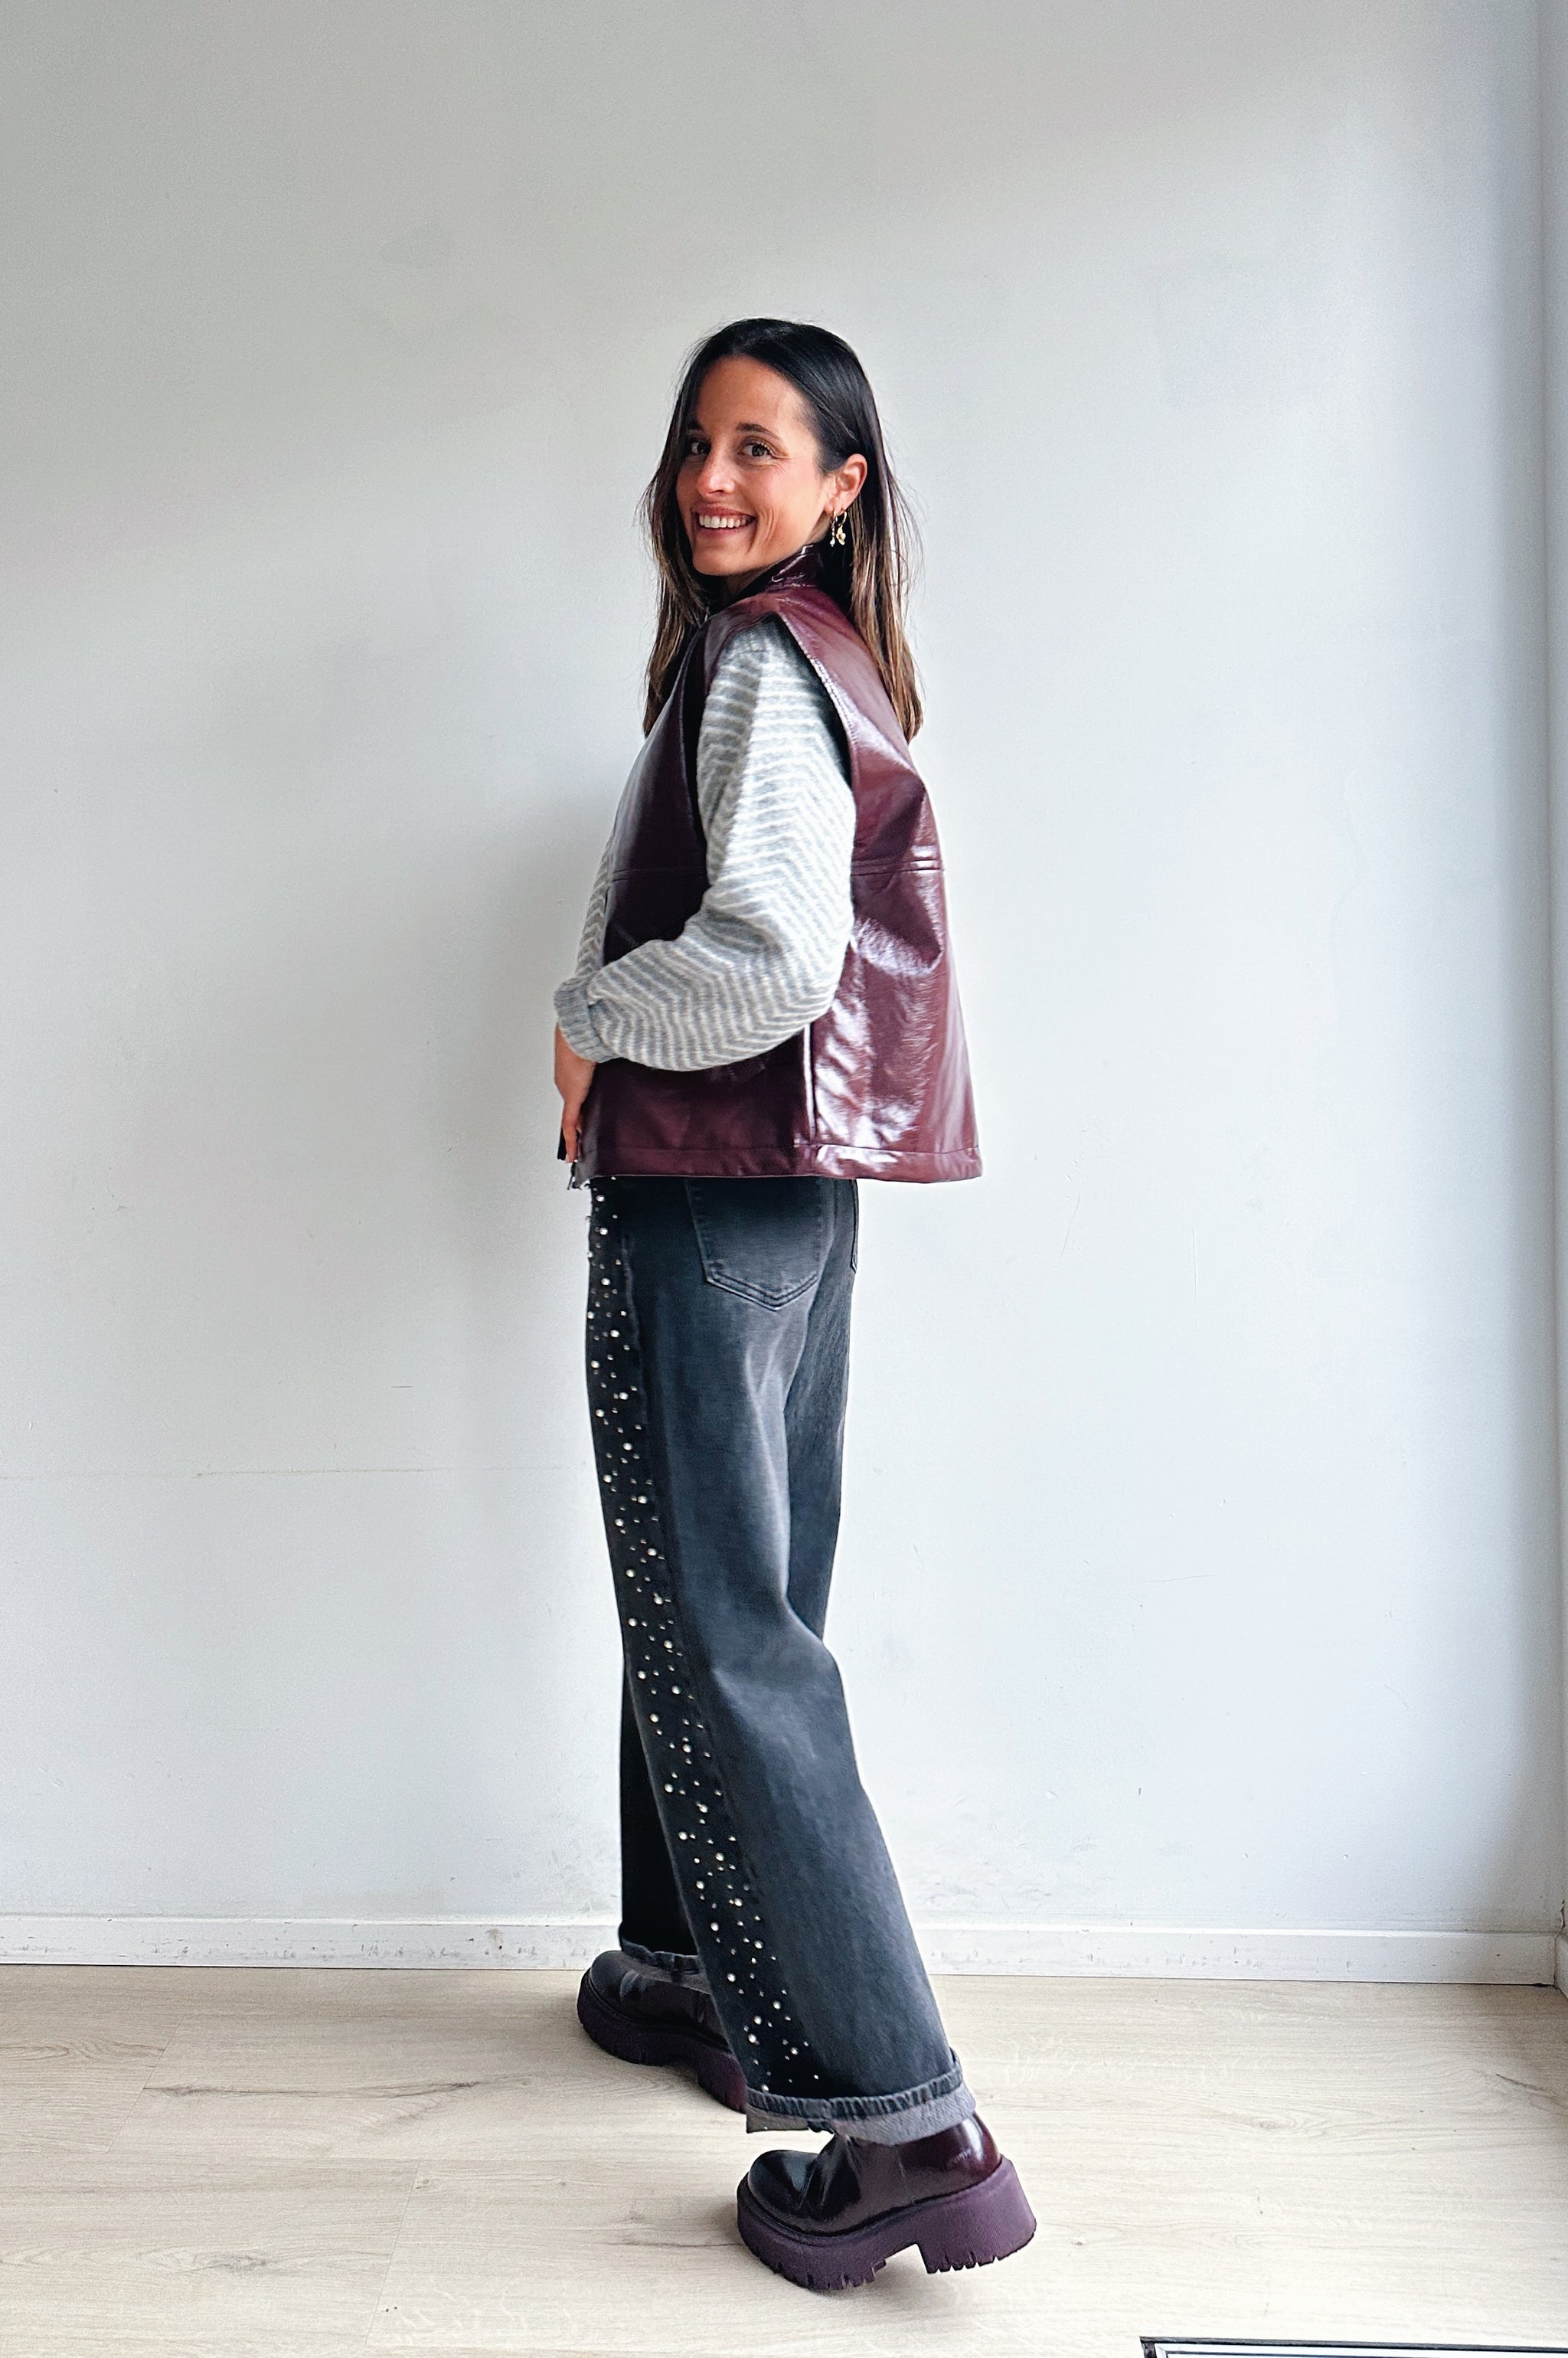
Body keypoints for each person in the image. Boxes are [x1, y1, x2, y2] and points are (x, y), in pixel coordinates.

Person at [551, 317, 1034, 2292]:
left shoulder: (760, 659)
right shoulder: (820, 655)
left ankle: (913, 2127)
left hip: (706, 1183)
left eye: (760, 448)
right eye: (697, 442)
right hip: (791, 1194)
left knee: (723, 1620)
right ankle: (690, 1967)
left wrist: (589, 1020)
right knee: (739, 1598)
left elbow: (766, 957)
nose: (711, 480)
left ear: (843, 488)